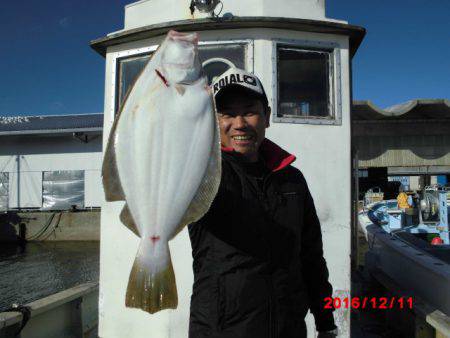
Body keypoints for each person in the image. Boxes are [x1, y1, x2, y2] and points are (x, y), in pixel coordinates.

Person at [188, 68, 338, 338]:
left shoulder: (293, 180)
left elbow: (312, 258)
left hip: (289, 330)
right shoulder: (201, 173)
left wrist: (325, 322)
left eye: (249, 111)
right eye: (227, 114)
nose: (240, 123)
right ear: (212, 120)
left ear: (266, 117)